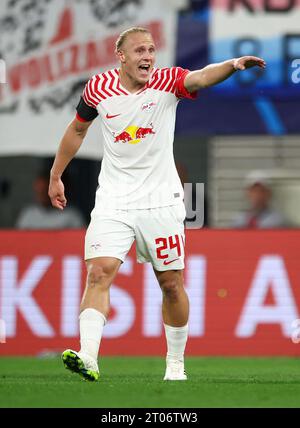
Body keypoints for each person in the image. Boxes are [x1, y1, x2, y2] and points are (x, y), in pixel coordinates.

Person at [48, 27, 265, 381]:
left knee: (171, 283)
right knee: (98, 271)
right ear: (121, 56)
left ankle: (175, 365)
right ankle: (88, 356)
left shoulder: (167, 81)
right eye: (139, 51)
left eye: (151, 50)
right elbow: (77, 130)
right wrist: (57, 174)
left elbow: (199, 78)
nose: (148, 57)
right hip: (114, 200)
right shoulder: (98, 88)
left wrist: (233, 64)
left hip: (161, 202)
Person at [16, 171, 84, 229]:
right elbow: (18, 240)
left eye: (44, 191)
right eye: (38, 191)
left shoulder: (71, 216)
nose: (41, 195)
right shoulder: (28, 215)